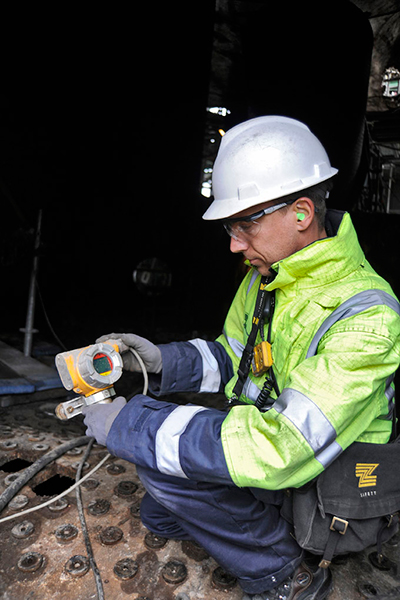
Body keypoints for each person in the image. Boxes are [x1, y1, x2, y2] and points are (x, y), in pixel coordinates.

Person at [82, 116, 400, 600]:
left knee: (154, 445)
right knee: (161, 471)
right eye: (232, 225)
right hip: (282, 466)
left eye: (246, 223)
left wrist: (133, 425)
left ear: (300, 212)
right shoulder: (268, 275)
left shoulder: (368, 314)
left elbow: (284, 448)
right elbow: (235, 358)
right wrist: (156, 362)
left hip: (330, 498)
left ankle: (285, 576)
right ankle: (234, 520)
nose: (234, 243)